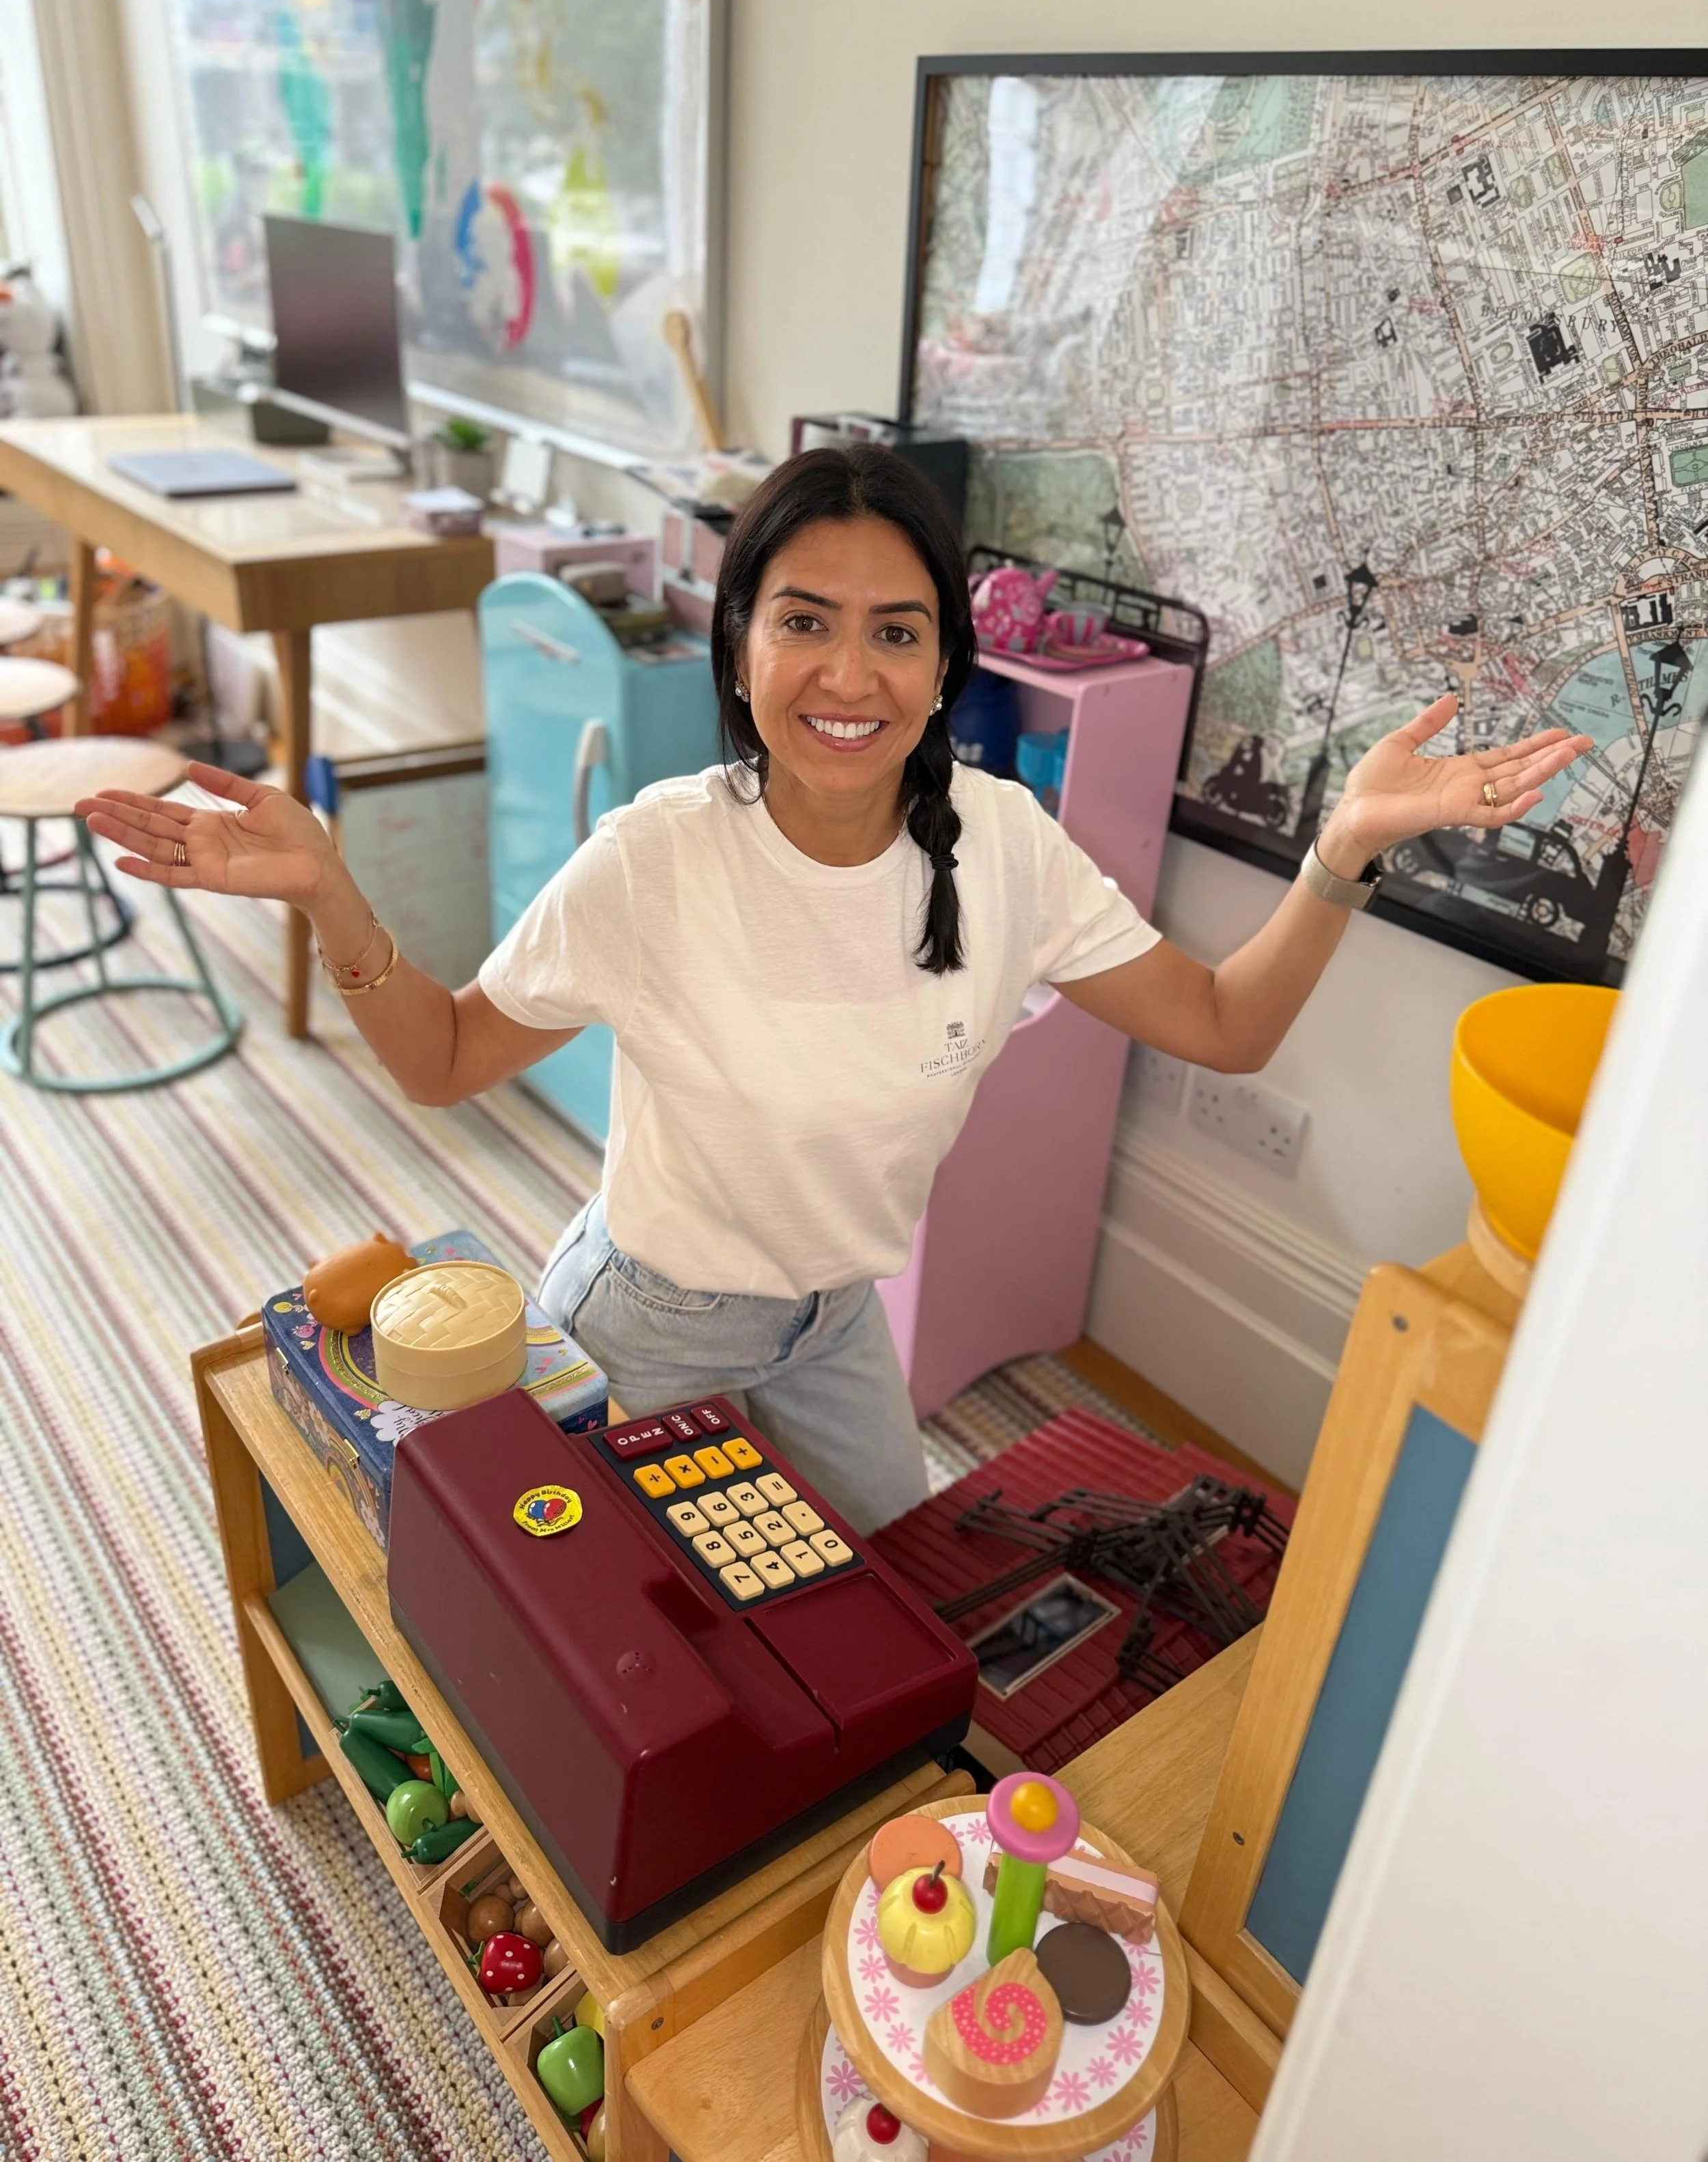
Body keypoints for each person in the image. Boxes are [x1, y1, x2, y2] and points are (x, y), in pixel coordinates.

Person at [77, 447, 1588, 1532]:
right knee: (604, 1629)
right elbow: (447, 1057)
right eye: (802, 620)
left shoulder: (1001, 842)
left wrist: (1341, 848)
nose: (846, 675)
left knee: (886, 1589)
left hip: (830, 1324)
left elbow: (1225, 1024)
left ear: (943, 670)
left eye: (894, 631)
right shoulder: (656, 856)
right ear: (738, 648)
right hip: (642, 1317)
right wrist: (333, 888)